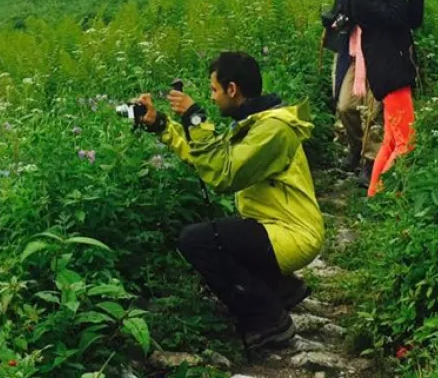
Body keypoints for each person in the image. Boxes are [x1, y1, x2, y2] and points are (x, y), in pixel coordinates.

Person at [134, 51, 325, 350]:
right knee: (222, 234)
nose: (212, 97)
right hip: (273, 226)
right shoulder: (256, 123)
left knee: (198, 241)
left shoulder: (273, 129)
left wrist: (195, 117)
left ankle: (269, 320)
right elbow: (210, 159)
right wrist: (161, 125)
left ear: (232, 89)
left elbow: (224, 175)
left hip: (293, 234)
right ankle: (279, 288)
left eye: (214, 89)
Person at [343, 0, 425, 197]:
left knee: (391, 140)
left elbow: (412, 20)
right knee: (406, 142)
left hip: (396, 67)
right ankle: (387, 196)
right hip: (389, 72)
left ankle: (374, 193)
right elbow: (394, 17)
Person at [321, 0, 384, 187]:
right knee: (346, 105)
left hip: (376, 47)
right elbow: (347, 4)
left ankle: (371, 161)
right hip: (352, 46)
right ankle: (357, 147)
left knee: (373, 108)